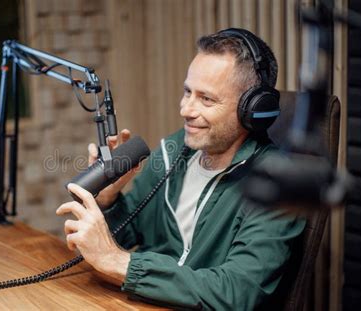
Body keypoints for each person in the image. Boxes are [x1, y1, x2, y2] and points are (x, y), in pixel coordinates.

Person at [56, 28, 305, 310]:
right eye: (188, 92)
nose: (186, 109)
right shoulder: (174, 150)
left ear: (253, 110)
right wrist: (108, 199)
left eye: (206, 99)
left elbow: (238, 292)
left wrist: (119, 263)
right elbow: (119, 237)